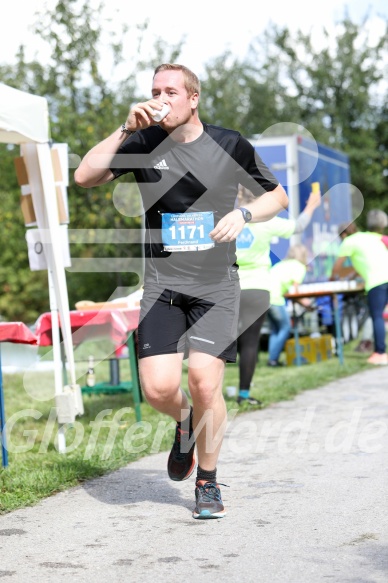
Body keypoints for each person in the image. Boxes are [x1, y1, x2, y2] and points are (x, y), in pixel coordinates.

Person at [74, 63, 288, 519]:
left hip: (216, 286)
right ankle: (185, 422)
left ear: (193, 99)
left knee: (204, 382)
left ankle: (207, 481)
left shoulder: (230, 144)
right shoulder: (144, 141)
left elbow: (277, 196)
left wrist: (245, 216)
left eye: (170, 91)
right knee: (158, 389)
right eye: (154, 90)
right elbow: (84, 176)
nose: (160, 98)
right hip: (162, 286)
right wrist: (122, 128)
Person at [235, 185, 321, 404]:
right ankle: (243, 395)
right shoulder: (265, 222)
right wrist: (311, 206)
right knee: (250, 343)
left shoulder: (228, 219)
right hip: (259, 288)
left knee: (222, 343)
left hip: (230, 288)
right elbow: (299, 226)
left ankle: (210, 397)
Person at [331, 209, 388, 365]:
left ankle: (380, 353)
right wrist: (356, 275)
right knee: (380, 315)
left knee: (376, 316)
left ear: (342, 234)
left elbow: (337, 267)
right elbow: (365, 262)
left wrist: (332, 278)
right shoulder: (368, 237)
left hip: (377, 282)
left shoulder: (348, 242)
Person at [267, 244, 310, 366]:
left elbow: (286, 291)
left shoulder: (281, 264)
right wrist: (305, 303)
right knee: (285, 327)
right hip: (275, 298)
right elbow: (295, 291)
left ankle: (272, 359)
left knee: (276, 329)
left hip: (264, 296)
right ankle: (273, 359)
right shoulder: (299, 267)